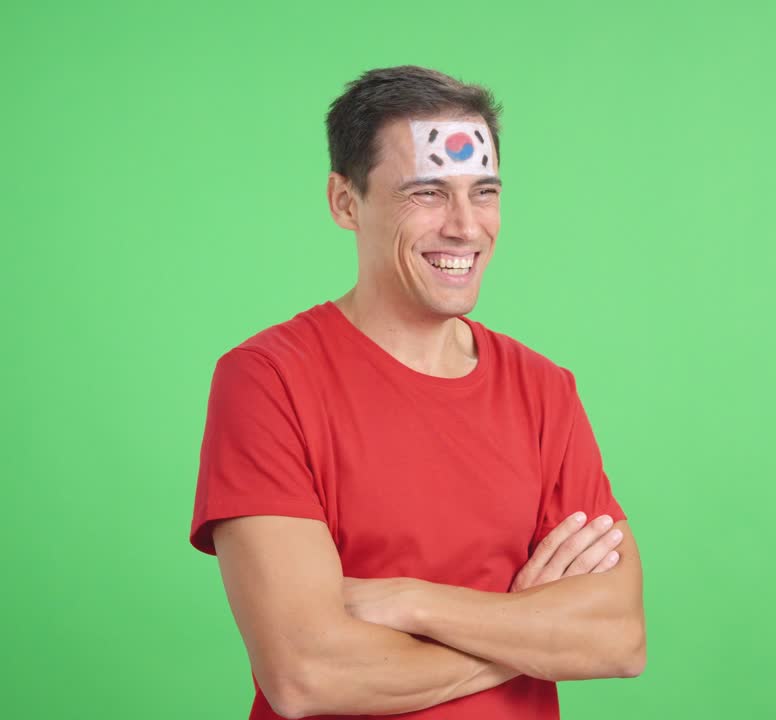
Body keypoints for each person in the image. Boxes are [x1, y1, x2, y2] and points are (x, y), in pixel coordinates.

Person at [188, 65, 645, 719]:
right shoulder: (267, 380)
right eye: (427, 194)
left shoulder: (544, 389)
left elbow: (619, 638)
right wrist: (530, 630)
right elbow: (306, 675)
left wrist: (410, 600)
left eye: (483, 192)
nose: (465, 226)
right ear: (346, 202)